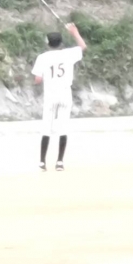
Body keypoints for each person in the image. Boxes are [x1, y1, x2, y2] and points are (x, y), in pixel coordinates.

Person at [31, 23, 87, 171]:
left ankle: (42, 162)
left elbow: (38, 79)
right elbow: (83, 46)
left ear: (48, 43)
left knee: (46, 127)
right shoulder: (68, 54)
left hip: (51, 94)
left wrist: (37, 82)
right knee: (63, 127)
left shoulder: (42, 57)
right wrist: (75, 32)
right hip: (65, 93)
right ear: (61, 43)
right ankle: (60, 162)